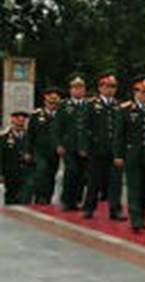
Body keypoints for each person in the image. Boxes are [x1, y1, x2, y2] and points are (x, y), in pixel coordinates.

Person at [80, 73, 125, 220]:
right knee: (94, 180)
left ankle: (115, 209)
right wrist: (84, 146)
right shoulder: (91, 104)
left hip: (115, 149)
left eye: (114, 86)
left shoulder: (119, 105)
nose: (111, 89)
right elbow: (84, 127)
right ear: (100, 87)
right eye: (108, 86)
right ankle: (89, 208)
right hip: (96, 148)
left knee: (116, 182)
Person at [118, 75, 145, 231]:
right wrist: (118, 154)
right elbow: (119, 135)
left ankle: (140, 213)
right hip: (132, 154)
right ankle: (135, 218)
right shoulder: (126, 109)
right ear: (135, 92)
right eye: (143, 91)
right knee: (134, 186)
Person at [56, 73, 89, 211]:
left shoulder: (89, 105)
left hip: (84, 146)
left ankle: (77, 200)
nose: (78, 90)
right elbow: (57, 127)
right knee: (71, 171)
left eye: (80, 88)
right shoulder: (64, 105)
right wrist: (59, 144)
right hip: (69, 145)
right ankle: (66, 200)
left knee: (82, 174)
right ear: (70, 90)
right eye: (75, 88)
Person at [25, 87, 62, 204]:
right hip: (39, 151)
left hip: (54, 152)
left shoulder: (61, 116)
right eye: (50, 101)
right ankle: (40, 196)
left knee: (51, 175)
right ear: (45, 100)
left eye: (55, 101)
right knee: (41, 171)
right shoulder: (36, 115)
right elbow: (30, 135)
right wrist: (28, 151)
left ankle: (47, 198)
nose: (52, 104)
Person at [1, 111, 32, 204]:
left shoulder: (30, 136)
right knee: (11, 196)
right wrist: (1, 173)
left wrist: (31, 157)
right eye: (18, 120)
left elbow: (36, 151)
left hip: (26, 172)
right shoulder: (4, 137)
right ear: (13, 121)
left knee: (25, 197)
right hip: (10, 172)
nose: (20, 123)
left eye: (22, 121)